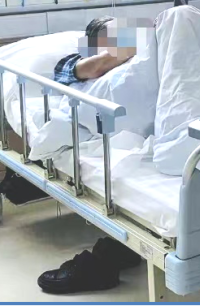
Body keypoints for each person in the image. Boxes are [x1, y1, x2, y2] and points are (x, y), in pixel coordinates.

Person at [37, 16, 142, 295]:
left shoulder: (141, 55)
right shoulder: (72, 63)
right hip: (111, 124)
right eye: (114, 33)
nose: (125, 36)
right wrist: (139, 45)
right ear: (93, 44)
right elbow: (96, 67)